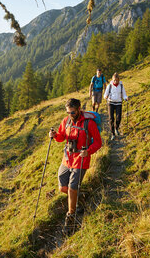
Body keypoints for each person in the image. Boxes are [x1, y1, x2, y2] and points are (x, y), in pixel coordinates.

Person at [49, 98, 102, 232]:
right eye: (68, 112)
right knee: (63, 188)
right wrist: (55, 135)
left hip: (81, 159)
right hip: (67, 158)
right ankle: (78, 199)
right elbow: (61, 137)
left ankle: (71, 217)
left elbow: (98, 142)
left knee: (72, 188)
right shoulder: (66, 121)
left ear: (79, 109)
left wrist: (88, 151)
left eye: (72, 112)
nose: (70, 115)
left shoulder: (88, 123)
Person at [104, 73, 128, 140]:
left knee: (118, 117)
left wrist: (126, 98)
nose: (115, 82)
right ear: (112, 80)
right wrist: (105, 97)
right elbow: (105, 94)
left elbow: (124, 95)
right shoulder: (109, 86)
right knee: (111, 118)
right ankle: (113, 134)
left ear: (118, 80)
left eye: (117, 80)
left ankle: (116, 128)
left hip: (119, 103)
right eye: (114, 80)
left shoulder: (121, 86)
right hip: (110, 103)